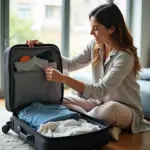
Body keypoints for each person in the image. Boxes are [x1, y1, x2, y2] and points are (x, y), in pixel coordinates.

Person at [26, 3, 150, 140]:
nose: (91, 33)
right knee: (59, 100)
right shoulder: (95, 46)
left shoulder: (125, 56)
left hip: (125, 110)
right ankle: (101, 125)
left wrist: (64, 79)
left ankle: (92, 120)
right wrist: (44, 49)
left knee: (109, 110)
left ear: (112, 29)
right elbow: (71, 64)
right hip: (98, 103)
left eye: (96, 28)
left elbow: (101, 89)